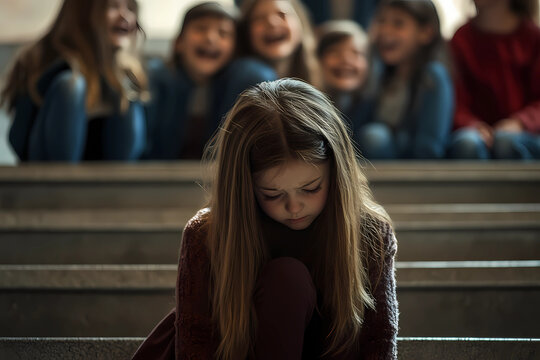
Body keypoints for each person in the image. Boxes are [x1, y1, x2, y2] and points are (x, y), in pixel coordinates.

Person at [132, 78, 398, 360]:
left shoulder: (370, 231)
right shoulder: (207, 233)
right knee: (286, 279)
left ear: (337, 173)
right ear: (245, 187)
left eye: (311, 188)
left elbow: (378, 337)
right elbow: (196, 340)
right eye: (272, 194)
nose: (294, 207)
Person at [0, 0, 148, 162]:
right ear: (82, 13)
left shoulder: (129, 73)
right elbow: (18, 140)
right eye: (112, 6)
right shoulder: (42, 60)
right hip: (45, 174)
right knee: (71, 87)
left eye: (130, 8)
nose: (125, 16)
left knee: (125, 93)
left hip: (103, 176)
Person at [143, 2, 276, 159]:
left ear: (234, 50)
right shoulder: (157, 79)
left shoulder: (243, 80)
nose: (210, 38)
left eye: (223, 33)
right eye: (200, 28)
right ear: (178, 43)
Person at [357, 0, 454, 159]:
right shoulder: (379, 74)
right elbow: (355, 130)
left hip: (413, 171)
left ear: (426, 33)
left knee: (374, 136)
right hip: (376, 165)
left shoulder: (433, 75)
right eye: (381, 21)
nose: (385, 31)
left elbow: (430, 145)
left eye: (398, 24)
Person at [448, 0, 540, 159]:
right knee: (467, 143)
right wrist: (472, 124)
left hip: (524, 134)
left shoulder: (533, 38)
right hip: (475, 134)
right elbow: (454, 101)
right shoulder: (461, 39)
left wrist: (520, 123)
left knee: (505, 142)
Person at [237, 0, 321, 87]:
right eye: (259, 18)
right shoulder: (247, 74)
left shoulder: (322, 75)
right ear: (246, 32)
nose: (272, 22)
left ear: (301, 23)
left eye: (282, 14)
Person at [317, 20, 370, 147]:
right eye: (334, 52)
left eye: (356, 53)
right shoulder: (307, 105)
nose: (345, 60)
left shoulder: (374, 107)